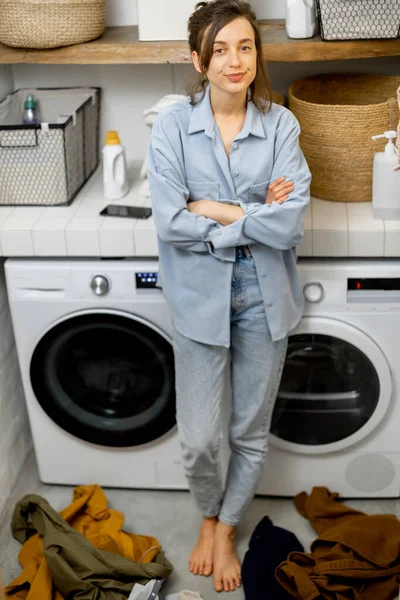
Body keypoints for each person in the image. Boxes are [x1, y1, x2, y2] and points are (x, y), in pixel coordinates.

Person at [147, 0, 311, 593]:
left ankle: (224, 525)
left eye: (245, 46)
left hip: (266, 296)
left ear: (256, 55)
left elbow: (289, 224)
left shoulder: (282, 125)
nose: (234, 61)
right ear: (198, 59)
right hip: (198, 297)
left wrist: (214, 209)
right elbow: (169, 220)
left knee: (247, 428)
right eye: (219, 50)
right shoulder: (172, 126)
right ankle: (208, 509)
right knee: (196, 437)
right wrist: (255, 212)